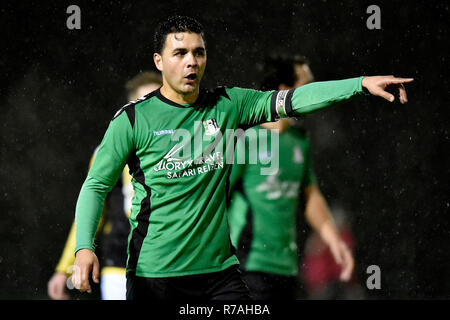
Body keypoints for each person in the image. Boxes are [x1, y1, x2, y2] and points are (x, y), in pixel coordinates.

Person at [71, 15, 413, 300]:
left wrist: (360, 83)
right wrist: (84, 248)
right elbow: (96, 185)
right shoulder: (131, 120)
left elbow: (294, 99)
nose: (191, 61)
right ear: (159, 61)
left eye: (199, 52)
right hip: (155, 275)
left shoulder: (229, 105)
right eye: (179, 53)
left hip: (220, 276)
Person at [227, 55, 354, 299]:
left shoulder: (299, 141)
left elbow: (309, 193)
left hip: (286, 268)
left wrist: (334, 240)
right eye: (308, 87)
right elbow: (216, 196)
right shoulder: (244, 138)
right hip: (246, 267)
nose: (315, 95)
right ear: (285, 92)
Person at [47, 72, 162, 300]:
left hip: (178, 264)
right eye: (145, 102)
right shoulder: (111, 150)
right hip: (121, 263)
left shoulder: (189, 147)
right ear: (132, 107)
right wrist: (66, 267)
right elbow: (92, 209)